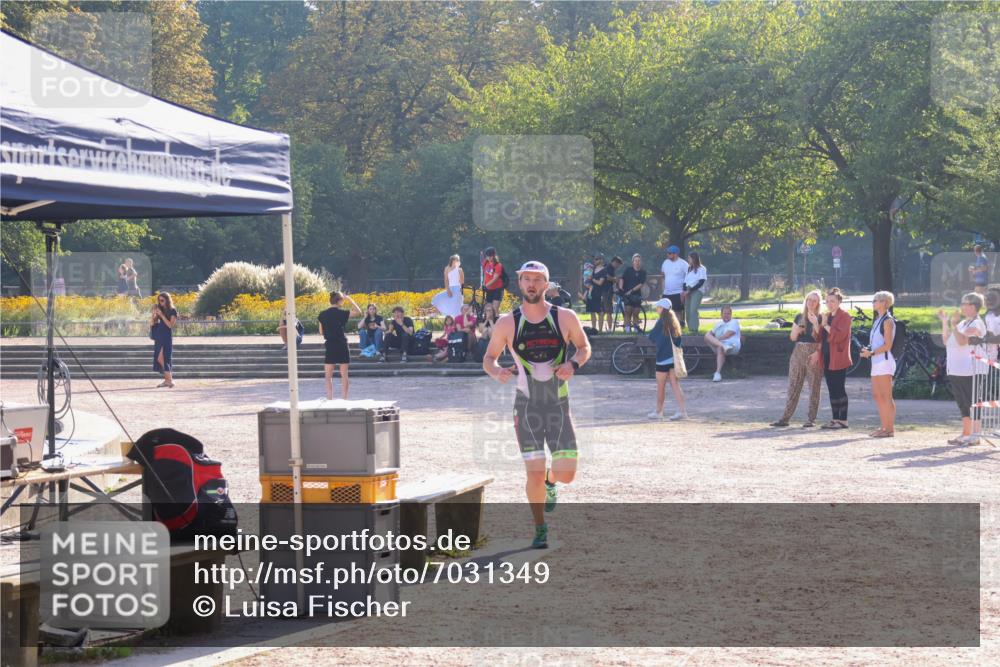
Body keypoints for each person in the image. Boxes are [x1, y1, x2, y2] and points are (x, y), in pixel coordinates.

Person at [482, 260, 591, 549]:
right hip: (526, 406)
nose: (531, 284)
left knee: (567, 473)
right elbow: (488, 358)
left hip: (558, 405)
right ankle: (540, 527)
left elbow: (584, 347)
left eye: (537, 279)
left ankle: (551, 480)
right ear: (519, 283)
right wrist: (497, 372)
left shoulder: (564, 317)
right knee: (531, 471)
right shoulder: (508, 322)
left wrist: (573, 364)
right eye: (526, 279)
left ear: (546, 284)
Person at [771, 290, 824, 428]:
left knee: (814, 386)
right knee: (793, 385)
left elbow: (823, 339)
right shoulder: (799, 317)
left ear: (818, 303)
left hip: (814, 351)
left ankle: (811, 419)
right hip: (798, 351)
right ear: (806, 301)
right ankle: (785, 418)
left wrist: (815, 324)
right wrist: (796, 331)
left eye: (814, 300)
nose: (811, 303)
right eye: (809, 300)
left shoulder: (822, 317)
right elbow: (793, 338)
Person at [941, 293, 987, 445]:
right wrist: (945, 322)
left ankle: (975, 435)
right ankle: (966, 433)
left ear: (973, 306)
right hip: (956, 368)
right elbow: (947, 340)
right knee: (962, 402)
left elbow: (961, 341)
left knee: (972, 401)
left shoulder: (977, 324)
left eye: (965, 303)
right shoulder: (963, 323)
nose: (962, 306)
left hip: (970, 369)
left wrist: (954, 325)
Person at [860, 291, 897, 438]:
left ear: (884, 302)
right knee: (877, 396)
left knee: (886, 396)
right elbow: (876, 343)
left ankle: (889, 429)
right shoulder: (877, 320)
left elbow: (888, 345)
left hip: (884, 361)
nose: (873, 303)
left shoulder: (888, 321)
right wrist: (869, 351)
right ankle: (884, 427)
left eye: (875, 300)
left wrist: (872, 353)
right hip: (876, 361)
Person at [647, 299, 687, 421]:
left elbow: (652, 337)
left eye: (658, 307)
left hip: (662, 359)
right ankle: (682, 411)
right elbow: (678, 340)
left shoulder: (661, 322)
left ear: (662, 308)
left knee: (661, 386)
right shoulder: (674, 321)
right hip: (673, 359)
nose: (656, 309)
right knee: (675, 385)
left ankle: (659, 412)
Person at [819, 288, 853, 429]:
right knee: (832, 389)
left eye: (833, 301)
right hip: (827, 357)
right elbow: (820, 336)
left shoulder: (845, 316)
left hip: (838, 357)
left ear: (839, 301)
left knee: (839, 388)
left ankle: (843, 420)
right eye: (827, 301)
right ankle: (835, 419)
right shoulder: (826, 315)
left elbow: (839, 337)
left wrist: (825, 325)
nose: (829, 304)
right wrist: (819, 323)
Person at [318, 291, 362, 400]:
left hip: (330, 345)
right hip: (341, 344)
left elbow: (321, 332)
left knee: (328, 376)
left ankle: (329, 398)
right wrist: (350, 299)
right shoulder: (342, 313)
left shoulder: (322, 314)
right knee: (344, 374)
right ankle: (345, 398)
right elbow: (358, 311)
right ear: (339, 301)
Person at [704, 305, 742, 382]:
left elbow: (727, 335)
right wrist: (715, 340)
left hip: (732, 346)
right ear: (721, 314)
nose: (726, 315)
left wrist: (715, 340)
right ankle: (722, 346)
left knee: (719, 348)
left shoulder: (734, 322)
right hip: (722, 346)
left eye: (728, 313)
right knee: (707, 335)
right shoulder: (718, 324)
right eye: (724, 313)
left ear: (731, 314)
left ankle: (717, 373)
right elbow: (709, 335)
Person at [150, 292, 177, 388]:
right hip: (159, 336)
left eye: (162, 300)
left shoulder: (172, 311)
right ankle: (168, 380)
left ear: (167, 300)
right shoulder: (160, 310)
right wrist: (153, 314)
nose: (160, 302)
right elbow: (152, 324)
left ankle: (169, 380)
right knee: (160, 358)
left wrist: (161, 315)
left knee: (164, 358)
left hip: (166, 336)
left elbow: (170, 325)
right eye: (159, 300)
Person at [660, 245, 688, 328]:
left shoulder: (683, 264)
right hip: (666, 292)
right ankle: (667, 328)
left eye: (669, 253)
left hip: (678, 292)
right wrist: (662, 290)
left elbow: (689, 277)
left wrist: (684, 291)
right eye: (667, 253)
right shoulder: (665, 262)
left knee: (678, 311)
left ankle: (678, 328)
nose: (667, 255)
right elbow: (662, 275)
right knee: (665, 311)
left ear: (675, 254)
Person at [620, 254, 647, 333]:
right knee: (628, 312)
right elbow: (622, 279)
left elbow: (641, 284)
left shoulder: (643, 272)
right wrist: (621, 288)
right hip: (627, 294)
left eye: (639, 261)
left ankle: (636, 329)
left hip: (637, 295)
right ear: (633, 262)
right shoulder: (628, 270)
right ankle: (627, 329)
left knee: (636, 312)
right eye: (636, 260)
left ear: (641, 262)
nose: (637, 262)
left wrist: (631, 291)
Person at [682, 252, 707, 333]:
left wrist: (690, 290)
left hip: (697, 291)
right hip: (688, 291)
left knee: (693, 310)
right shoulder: (689, 269)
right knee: (688, 311)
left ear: (694, 259)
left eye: (689, 258)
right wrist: (684, 291)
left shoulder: (702, 268)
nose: (688, 260)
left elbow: (701, 282)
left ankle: (694, 329)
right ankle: (690, 329)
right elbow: (685, 282)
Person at [585, 256, 608, 331]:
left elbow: (600, 283)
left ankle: (600, 330)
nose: (595, 260)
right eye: (594, 259)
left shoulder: (604, 270)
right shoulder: (593, 269)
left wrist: (592, 279)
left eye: (597, 259)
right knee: (592, 311)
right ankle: (594, 329)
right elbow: (589, 279)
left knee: (600, 312)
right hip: (591, 293)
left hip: (599, 293)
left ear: (601, 260)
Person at [481, 248, 506, 312]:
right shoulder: (486, 263)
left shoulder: (498, 265)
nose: (488, 257)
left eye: (490, 256)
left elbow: (495, 279)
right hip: (489, 289)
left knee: (495, 309)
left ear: (494, 256)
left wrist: (486, 285)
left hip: (497, 289)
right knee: (487, 309)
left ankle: (496, 321)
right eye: (487, 256)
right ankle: (488, 321)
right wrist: (483, 283)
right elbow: (485, 274)